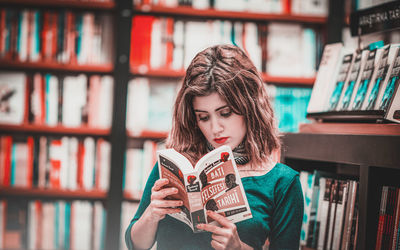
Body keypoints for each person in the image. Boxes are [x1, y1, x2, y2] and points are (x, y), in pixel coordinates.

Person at [125, 44, 304, 250]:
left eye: (225, 113)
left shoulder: (282, 183)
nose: (215, 128)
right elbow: (135, 244)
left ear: (250, 108)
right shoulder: (175, 169)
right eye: (203, 117)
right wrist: (151, 215)